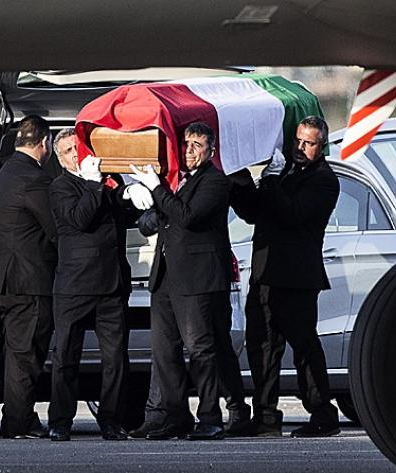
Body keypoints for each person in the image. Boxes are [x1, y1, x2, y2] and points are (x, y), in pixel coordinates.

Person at [231, 116, 340, 437]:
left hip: (296, 278)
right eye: (297, 140)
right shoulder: (285, 171)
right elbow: (254, 213)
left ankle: (323, 414)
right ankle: (265, 416)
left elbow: (293, 214)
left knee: (304, 347)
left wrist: (271, 182)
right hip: (265, 273)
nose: (300, 147)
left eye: (309, 143)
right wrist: (241, 180)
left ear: (322, 146)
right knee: (262, 347)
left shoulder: (324, 180)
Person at [46, 132, 153, 441]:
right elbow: (80, 219)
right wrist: (94, 183)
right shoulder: (60, 186)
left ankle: (112, 419)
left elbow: (122, 208)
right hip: (75, 285)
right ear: (61, 159)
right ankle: (60, 420)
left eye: (77, 148)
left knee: (115, 358)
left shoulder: (105, 179)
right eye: (68, 151)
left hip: (111, 283)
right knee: (66, 356)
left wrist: (130, 191)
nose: (75, 154)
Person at [131, 122, 232, 441]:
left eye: (197, 145)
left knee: (200, 349)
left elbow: (188, 216)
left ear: (211, 151)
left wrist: (158, 189)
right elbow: (157, 220)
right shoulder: (176, 179)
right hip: (165, 276)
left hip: (195, 278)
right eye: (185, 144)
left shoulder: (214, 181)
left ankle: (210, 417)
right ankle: (175, 416)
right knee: (164, 351)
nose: (189, 150)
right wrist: (147, 193)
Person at [0, 115, 57, 439]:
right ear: (44, 143)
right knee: (26, 355)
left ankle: (15, 417)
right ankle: (20, 420)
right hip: (29, 280)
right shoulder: (34, 178)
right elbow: (55, 228)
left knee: (16, 352)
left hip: (6, 278)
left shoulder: (4, 173)